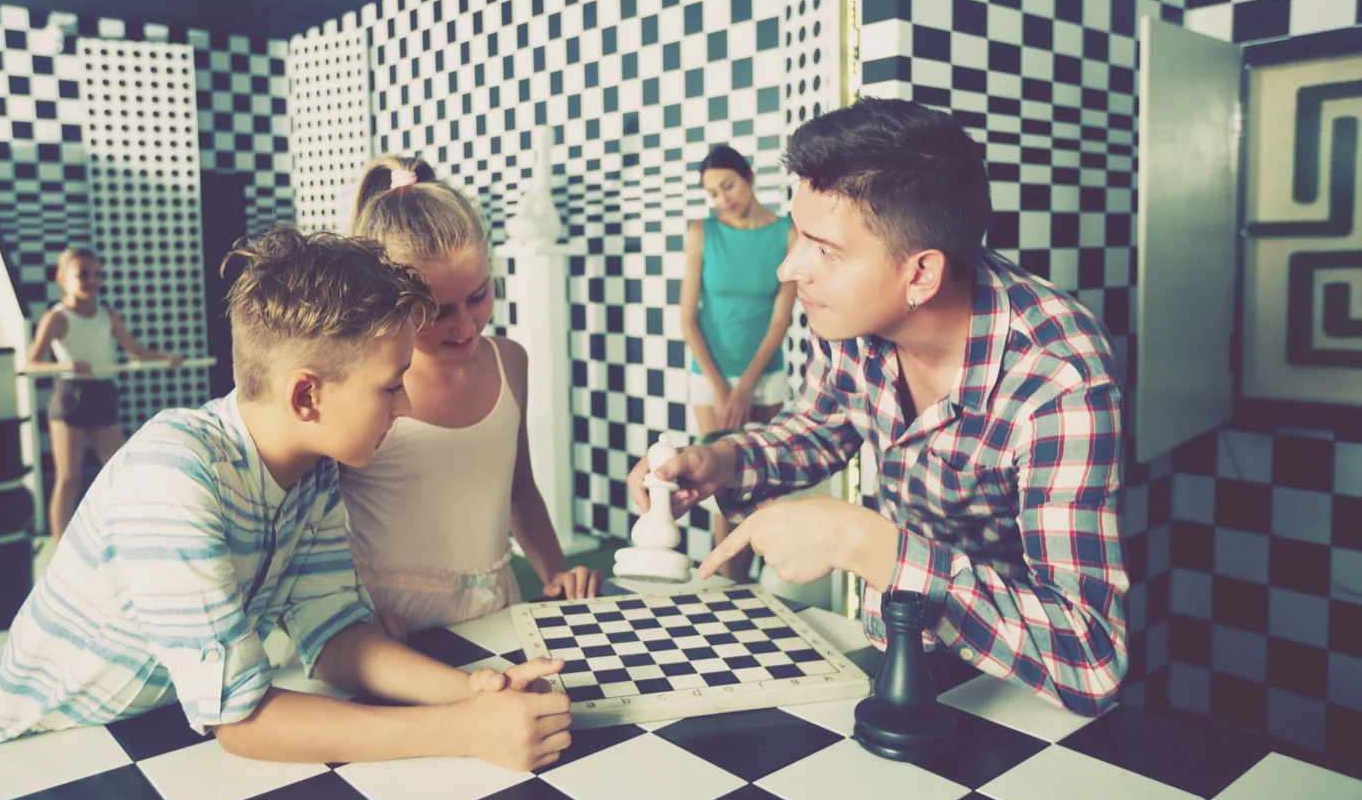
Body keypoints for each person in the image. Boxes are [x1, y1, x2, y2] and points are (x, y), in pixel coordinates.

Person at [0, 228, 572, 771]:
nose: (404, 406)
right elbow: (241, 717)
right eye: (389, 386)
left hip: (122, 747)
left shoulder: (310, 472)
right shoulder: (174, 478)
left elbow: (335, 634)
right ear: (306, 396)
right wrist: (463, 733)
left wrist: (474, 691)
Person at [629, 99, 1127, 716]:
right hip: (895, 655)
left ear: (920, 275)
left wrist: (862, 542)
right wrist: (723, 460)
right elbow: (816, 428)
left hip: (1022, 694)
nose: (789, 270)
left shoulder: (1059, 375)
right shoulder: (849, 323)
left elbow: (1089, 655)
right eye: (796, 236)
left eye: (823, 249)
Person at [343, 155, 598, 640]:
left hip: (498, 605)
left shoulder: (510, 363)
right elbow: (315, 522)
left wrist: (556, 573)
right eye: (437, 312)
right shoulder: (361, 386)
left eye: (479, 295)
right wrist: (342, 616)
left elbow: (519, 490)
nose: (466, 326)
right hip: (389, 623)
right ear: (385, 301)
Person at [680, 146, 797, 580]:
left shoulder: (788, 232)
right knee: (720, 479)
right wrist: (721, 387)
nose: (722, 197)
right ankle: (727, 588)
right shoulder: (701, 232)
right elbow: (688, 320)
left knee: (760, 478)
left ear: (748, 176)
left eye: (727, 185)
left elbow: (781, 318)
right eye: (712, 192)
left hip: (764, 374)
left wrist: (746, 385)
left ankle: (753, 585)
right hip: (709, 373)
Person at [24, 247, 183, 539]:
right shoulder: (56, 318)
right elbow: (30, 364)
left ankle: (122, 538)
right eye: (83, 274)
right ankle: (60, 551)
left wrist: (165, 359)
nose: (93, 280)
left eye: (97, 274)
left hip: (103, 394)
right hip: (71, 396)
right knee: (69, 479)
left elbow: (135, 351)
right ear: (61, 278)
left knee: (119, 472)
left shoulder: (107, 314)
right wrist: (67, 365)